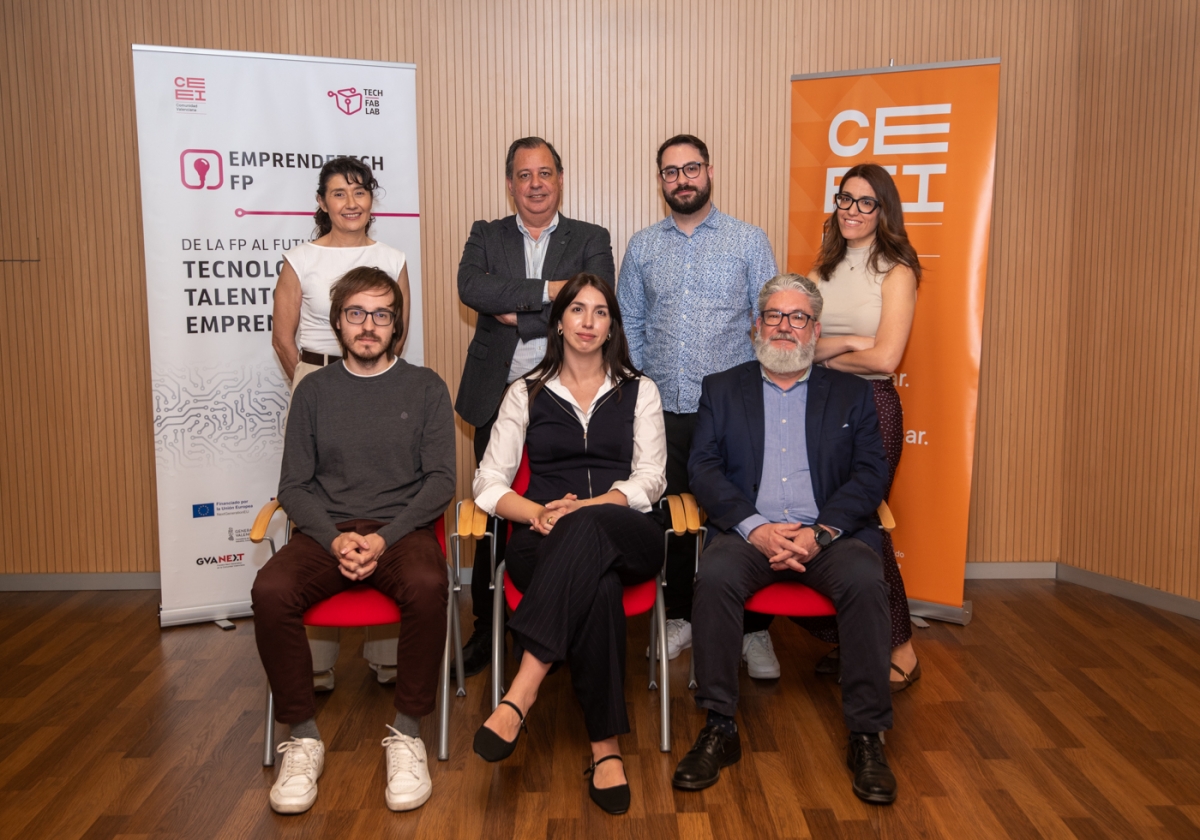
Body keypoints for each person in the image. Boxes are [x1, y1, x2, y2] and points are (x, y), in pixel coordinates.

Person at [674, 273, 898, 805]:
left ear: (815, 330)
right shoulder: (722, 388)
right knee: (714, 576)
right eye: (774, 315)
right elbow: (703, 469)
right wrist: (757, 527)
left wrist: (820, 533)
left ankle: (867, 734)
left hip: (827, 535)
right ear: (757, 325)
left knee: (868, 579)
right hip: (752, 531)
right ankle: (719, 725)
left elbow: (871, 474)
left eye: (797, 317)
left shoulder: (850, 394)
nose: (784, 327)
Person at [251, 267, 455, 815]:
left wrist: (384, 539)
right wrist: (334, 540)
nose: (369, 325)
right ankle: (302, 737)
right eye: (356, 313)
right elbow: (292, 485)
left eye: (381, 314)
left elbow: (441, 481)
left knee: (430, 582)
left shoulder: (426, 386)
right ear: (338, 323)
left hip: (400, 532)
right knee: (270, 590)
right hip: (326, 533)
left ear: (397, 325)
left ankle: (408, 732)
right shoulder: (313, 391)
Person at [469, 274, 666, 816]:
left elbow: (651, 478)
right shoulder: (525, 390)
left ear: (611, 327)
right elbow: (487, 484)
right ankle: (606, 751)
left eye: (600, 312)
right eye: (576, 310)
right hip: (542, 538)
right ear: (558, 320)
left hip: (628, 533)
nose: (587, 321)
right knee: (596, 585)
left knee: (588, 531)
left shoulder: (639, 389)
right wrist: (535, 513)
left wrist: (590, 506)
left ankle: (522, 690)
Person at [617, 133, 780, 677]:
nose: (681, 179)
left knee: (742, 515)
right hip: (666, 405)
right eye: (670, 171)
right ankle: (681, 616)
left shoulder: (748, 241)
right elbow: (630, 322)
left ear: (710, 172)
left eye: (691, 169)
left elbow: (768, 323)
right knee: (675, 517)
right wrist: (644, 384)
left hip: (735, 408)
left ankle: (754, 629)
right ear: (659, 179)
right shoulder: (643, 246)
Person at [455, 137, 616, 678]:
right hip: (494, 391)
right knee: (493, 511)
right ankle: (486, 630)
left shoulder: (591, 237)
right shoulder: (486, 234)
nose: (535, 184)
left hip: (564, 393)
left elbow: (596, 298)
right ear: (510, 184)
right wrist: (551, 292)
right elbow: (472, 287)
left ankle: (557, 621)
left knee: (562, 507)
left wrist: (515, 308)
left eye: (545, 173)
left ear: (561, 179)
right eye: (523, 176)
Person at [272, 156, 413, 688]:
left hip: (378, 382)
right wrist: (313, 387)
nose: (351, 202)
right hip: (316, 382)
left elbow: (395, 336)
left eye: (360, 192)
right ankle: (317, 665)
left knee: (381, 499)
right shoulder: (299, 258)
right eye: (339, 193)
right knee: (313, 504)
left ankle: (386, 656)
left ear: (372, 200)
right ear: (322, 203)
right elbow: (283, 338)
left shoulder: (391, 257)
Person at [807, 163, 922, 691]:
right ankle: (858, 640)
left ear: (884, 211)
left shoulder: (896, 271)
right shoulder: (819, 272)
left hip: (872, 407)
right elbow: (797, 347)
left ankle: (901, 647)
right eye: (845, 199)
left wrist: (830, 357)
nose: (852, 211)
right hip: (818, 407)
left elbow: (887, 359)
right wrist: (852, 345)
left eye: (865, 202)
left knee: (864, 527)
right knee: (827, 524)